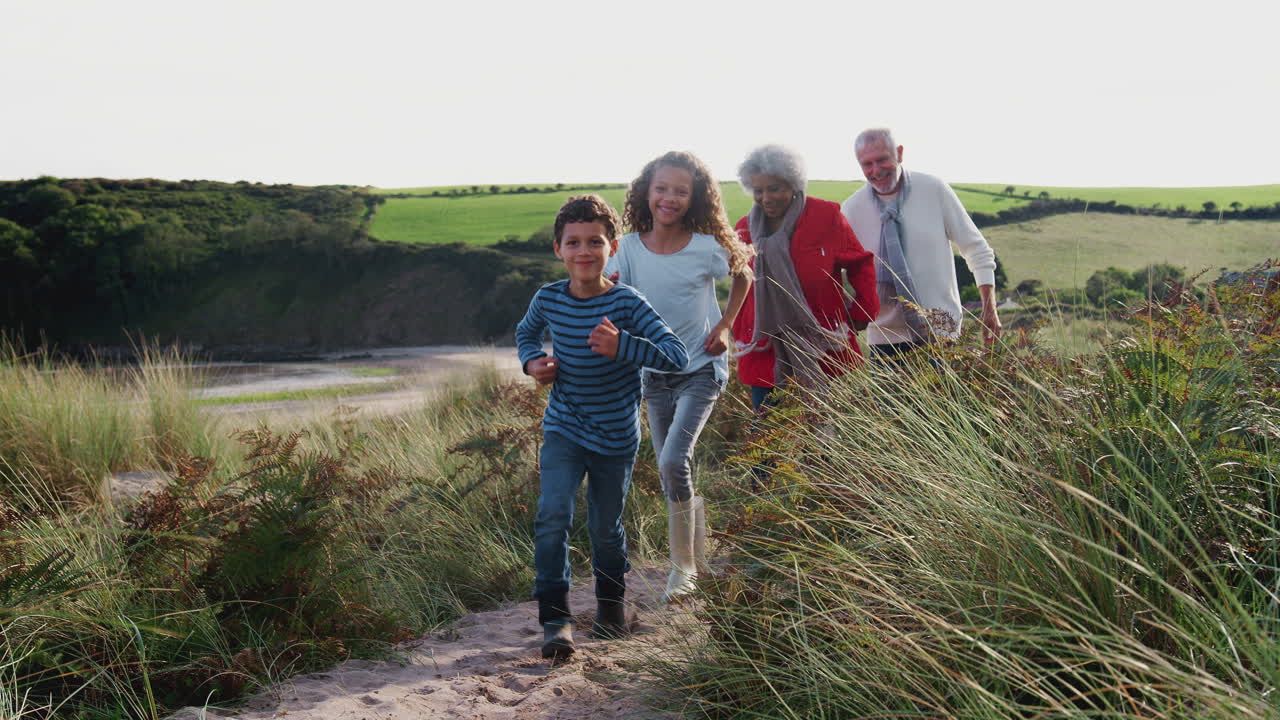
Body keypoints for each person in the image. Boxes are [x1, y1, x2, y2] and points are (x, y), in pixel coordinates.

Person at [515, 194, 688, 661]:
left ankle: (610, 607)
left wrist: (623, 346)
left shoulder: (628, 303)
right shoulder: (548, 298)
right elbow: (526, 333)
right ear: (558, 249)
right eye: (574, 242)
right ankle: (557, 622)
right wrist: (533, 363)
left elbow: (676, 355)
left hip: (615, 437)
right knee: (553, 516)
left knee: (605, 529)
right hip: (564, 428)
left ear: (612, 247)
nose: (584, 251)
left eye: (595, 241)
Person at [607, 151, 754, 602]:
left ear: (694, 200)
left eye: (680, 191)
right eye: (661, 189)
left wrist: (724, 327)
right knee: (674, 469)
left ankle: (683, 569)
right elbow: (616, 296)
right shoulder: (629, 247)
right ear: (645, 192)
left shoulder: (706, 248)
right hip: (653, 374)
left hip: (700, 370)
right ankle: (696, 559)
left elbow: (745, 276)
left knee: (673, 460)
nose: (669, 198)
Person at [731, 144, 879, 409]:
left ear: (793, 183)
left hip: (824, 345)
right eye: (758, 190)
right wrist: (737, 327)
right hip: (765, 351)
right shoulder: (743, 229)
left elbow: (860, 263)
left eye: (774, 188)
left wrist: (863, 310)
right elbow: (738, 282)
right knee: (768, 436)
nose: (766, 198)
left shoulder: (826, 216)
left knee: (827, 432)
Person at [840, 128, 1001, 358]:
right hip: (884, 341)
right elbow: (837, 272)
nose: (876, 171)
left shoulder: (934, 190)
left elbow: (977, 249)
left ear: (899, 153)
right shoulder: (852, 209)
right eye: (867, 164)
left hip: (943, 334)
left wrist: (989, 310)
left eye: (882, 160)